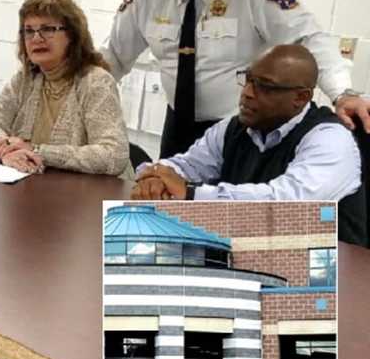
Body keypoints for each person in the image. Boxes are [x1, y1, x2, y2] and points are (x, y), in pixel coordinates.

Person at [101, 0, 369, 159]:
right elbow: (113, 54)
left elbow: (307, 38)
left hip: (239, 130)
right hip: (177, 124)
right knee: (170, 199)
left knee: (228, 202)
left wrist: (342, 93)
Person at [131, 44, 366, 245]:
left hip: (329, 273)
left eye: (265, 86)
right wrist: (153, 177)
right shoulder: (234, 128)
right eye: (248, 80)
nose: (248, 93)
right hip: (253, 252)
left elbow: (285, 204)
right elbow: (186, 165)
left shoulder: (330, 139)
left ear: (300, 98)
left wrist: (191, 193)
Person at [0, 0, 130, 176]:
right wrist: (3, 151)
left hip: (89, 197)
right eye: (29, 31)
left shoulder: (96, 82)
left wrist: (38, 151)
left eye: (47, 29)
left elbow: (113, 155)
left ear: (72, 36)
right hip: (35, 190)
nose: (36, 38)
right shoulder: (24, 80)